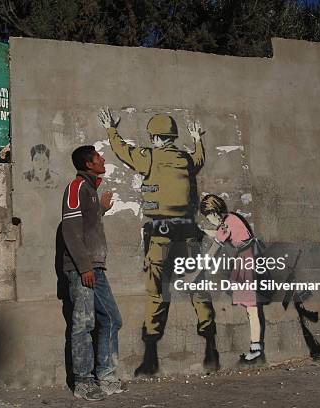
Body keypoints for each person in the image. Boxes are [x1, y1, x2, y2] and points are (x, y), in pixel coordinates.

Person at [97, 108, 219, 377]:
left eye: (152, 136)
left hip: (161, 237)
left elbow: (122, 152)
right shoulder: (187, 160)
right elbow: (199, 158)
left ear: (156, 137)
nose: (151, 140)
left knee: (157, 293)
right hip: (188, 236)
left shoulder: (149, 158)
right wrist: (198, 138)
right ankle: (211, 347)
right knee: (198, 288)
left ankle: (150, 356)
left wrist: (111, 129)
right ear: (172, 137)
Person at [59, 145, 124, 401]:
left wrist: (101, 209)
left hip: (95, 268)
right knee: (83, 324)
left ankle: (107, 377)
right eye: (98, 157)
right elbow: (71, 230)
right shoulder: (75, 187)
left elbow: (86, 223)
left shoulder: (90, 191)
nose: (103, 159)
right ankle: (83, 382)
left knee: (111, 319)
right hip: (82, 269)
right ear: (88, 164)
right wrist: (84, 267)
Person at [200, 194, 267, 364]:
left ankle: (255, 347)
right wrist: (203, 231)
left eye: (209, 217)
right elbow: (219, 234)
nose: (210, 221)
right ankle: (255, 346)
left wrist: (200, 264)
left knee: (252, 309)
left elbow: (216, 244)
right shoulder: (232, 218)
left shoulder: (226, 224)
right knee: (251, 309)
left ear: (214, 213)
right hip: (247, 258)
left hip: (246, 261)